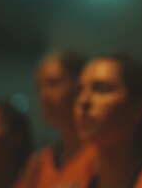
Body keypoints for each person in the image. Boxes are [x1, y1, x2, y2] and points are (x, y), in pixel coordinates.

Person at [74, 53, 142, 188]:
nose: (83, 101)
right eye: (79, 90)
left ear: (138, 107)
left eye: (102, 89)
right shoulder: (80, 183)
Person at [20, 51, 96, 188]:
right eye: (39, 87)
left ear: (80, 86)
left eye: (53, 83)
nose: (43, 94)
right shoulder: (40, 162)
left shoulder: (100, 154)